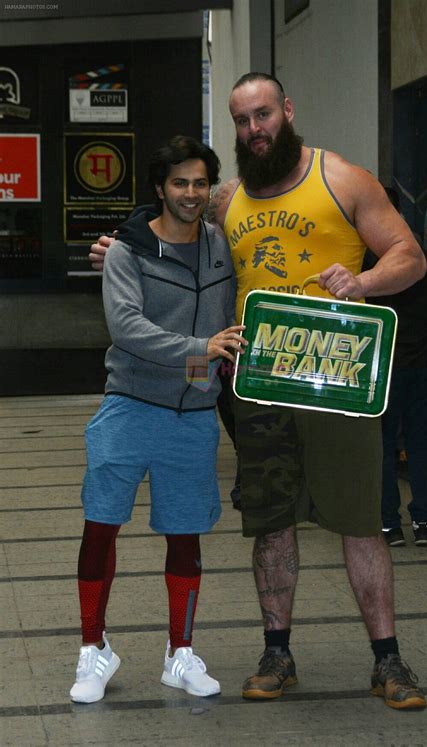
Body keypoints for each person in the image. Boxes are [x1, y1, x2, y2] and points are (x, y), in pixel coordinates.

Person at [90, 73, 427, 710]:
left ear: (287, 111)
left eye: (263, 115)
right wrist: (122, 246)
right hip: (262, 385)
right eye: (242, 120)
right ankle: (278, 653)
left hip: (338, 380)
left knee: (360, 522)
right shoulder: (227, 198)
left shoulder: (342, 177)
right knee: (272, 524)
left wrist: (364, 281)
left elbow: (410, 255)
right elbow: (170, 219)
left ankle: (389, 660)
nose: (254, 130)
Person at [71, 135, 247, 704]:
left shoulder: (223, 247)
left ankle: (181, 654)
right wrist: (204, 346)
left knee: (185, 534)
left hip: (193, 415)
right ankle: (93, 650)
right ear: (159, 189)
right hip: (128, 405)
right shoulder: (126, 251)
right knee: (100, 526)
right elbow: (126, 329)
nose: (191, 194)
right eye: (180, 183)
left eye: (200, 183)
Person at [364, 187, 427, 547]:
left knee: (382, 445)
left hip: (386, 367)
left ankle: (389, 523)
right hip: (423, 361)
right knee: (422, 443)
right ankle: (423, 521)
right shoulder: (421, 254)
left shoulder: (365, 261)